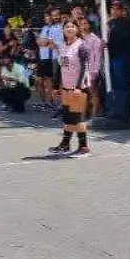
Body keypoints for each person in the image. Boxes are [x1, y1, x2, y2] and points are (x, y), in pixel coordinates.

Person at [48, 19, 92, 157]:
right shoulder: (62, 47)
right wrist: (55, 87)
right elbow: (59, 68)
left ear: (77, 29)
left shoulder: (81, 46)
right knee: (68, 118)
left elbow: (85, 68)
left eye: (72, 26)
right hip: (66, 88)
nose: (69, 29)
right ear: (63, 30)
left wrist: (79, 87)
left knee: (77, 118)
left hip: (78, 89)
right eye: (66, 27)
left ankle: (83, 147)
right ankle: (65, 144)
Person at [105, 0, 130, 124]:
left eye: (117, 9)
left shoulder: (126, 23)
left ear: (122, 10)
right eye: (112, 9)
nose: (114, 11)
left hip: (122, 57)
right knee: (115, 84)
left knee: (122, 84)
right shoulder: (110, 23)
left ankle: (124, 112)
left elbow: (124, 40)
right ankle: (116, 109)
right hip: (112, 57)